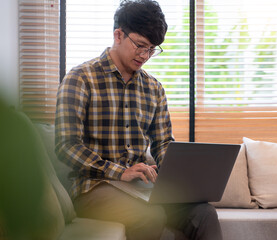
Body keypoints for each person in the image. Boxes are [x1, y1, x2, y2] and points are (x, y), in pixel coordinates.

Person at [55, 0, 223, 239]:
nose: (145, 56)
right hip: (93, 188)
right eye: (140, 46)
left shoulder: (154, 88)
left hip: (141, 189)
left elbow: (163, 143)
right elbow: (66, 145)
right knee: (150, 217)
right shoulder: (80, 78)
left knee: (204, 213)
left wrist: (179, 178)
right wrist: (118, 172)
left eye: (152, 49)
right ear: (118, 35)